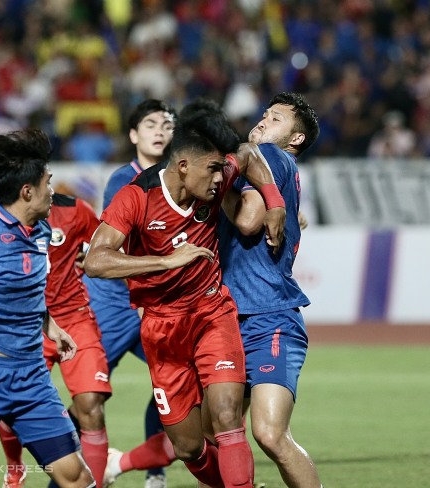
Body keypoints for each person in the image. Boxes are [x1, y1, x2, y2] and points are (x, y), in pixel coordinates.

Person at [84, 98, 286, 488]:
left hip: (213, 312)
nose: (219, 180)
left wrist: (275, 202)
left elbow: (245, 156)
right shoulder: (135, 196)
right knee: (190, 447)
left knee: (228, 416)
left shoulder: (216, 173)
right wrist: (164, 262)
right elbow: (96, 260)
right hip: (162, 328)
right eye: (211, 170)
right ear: (182, 166)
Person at [0, 129, 94, 487]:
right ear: (27, 191)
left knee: (76, 478)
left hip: (31, 377)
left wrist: (50, 325)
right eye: (48, 182)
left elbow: (30, 290)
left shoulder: (41, 231)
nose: (53, 190)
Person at [217, 92, 323, 488]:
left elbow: (246, 220)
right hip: (228, 319)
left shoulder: (273, 159)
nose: (262, 121)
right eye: (264, 114)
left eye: (275, 119)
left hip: (267, 317)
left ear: (294, 139)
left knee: (270, 433)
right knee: (217, 437)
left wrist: (215, 184)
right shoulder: (270, 168)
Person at [82, 98, 178, 488]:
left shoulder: (179, 176)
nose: (160, 130)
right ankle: (66, 457)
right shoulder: (126, 180)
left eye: (167, 124)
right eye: (151, 124)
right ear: (134, 134)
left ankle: (154, 471)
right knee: (90, 394)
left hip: (149, 302)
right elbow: (115, 249)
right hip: (115, 302)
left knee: (170, 380)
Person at [0, 193, 112, 488]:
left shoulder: (74, 209)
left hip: (75, 318)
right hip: (26, 324)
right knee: (7, 412)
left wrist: (92, 256)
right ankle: (15, 467)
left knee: (91, 405)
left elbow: (108, 242)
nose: (47, 183)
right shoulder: (0, 216)